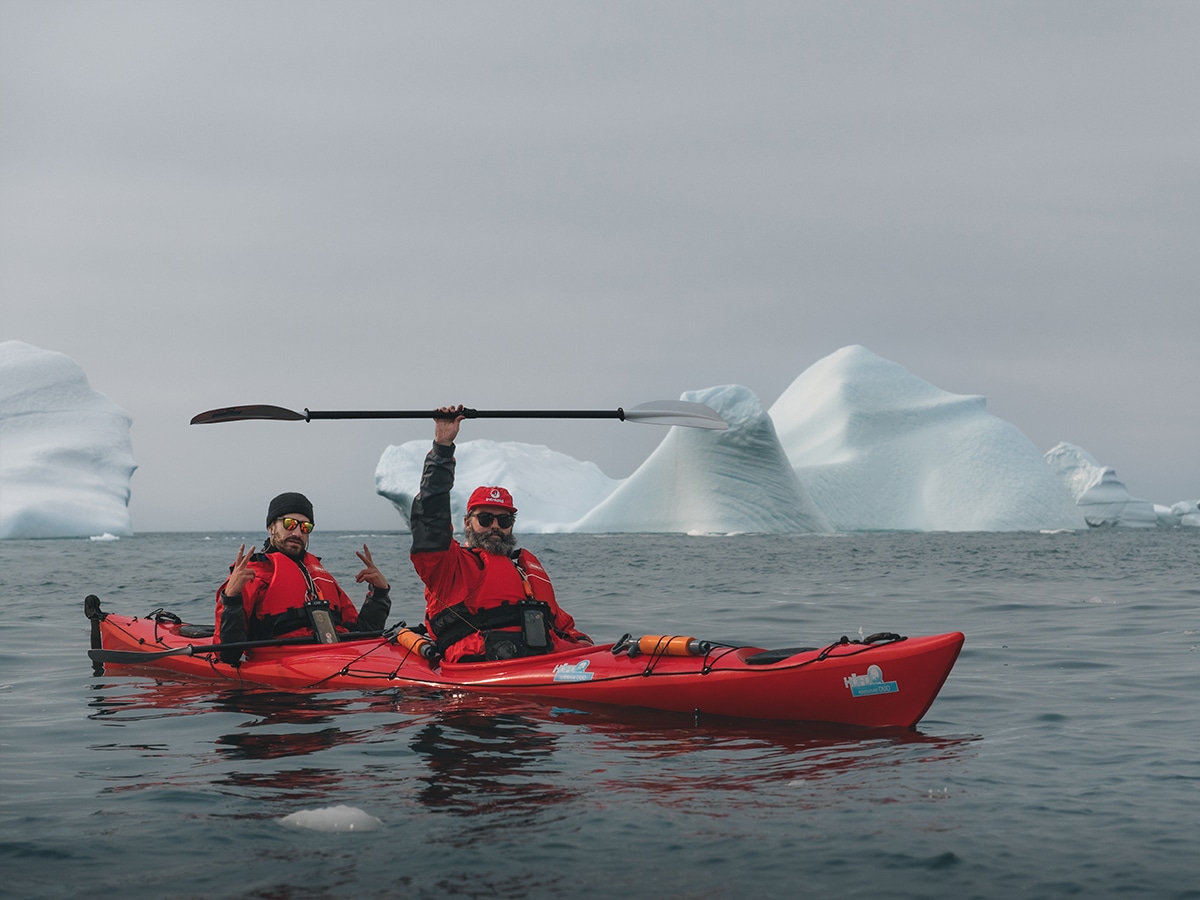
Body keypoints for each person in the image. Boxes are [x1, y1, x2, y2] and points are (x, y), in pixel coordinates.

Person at [409, 405, 592, 663]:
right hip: (481, 677)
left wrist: (592, 653)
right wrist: (442, 449)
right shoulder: (449, 568)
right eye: (484, 518)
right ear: (468, 523)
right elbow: (430, 518)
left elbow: (564, 626)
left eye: (504, 519)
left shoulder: (524, 573)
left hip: (544, 666)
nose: (495, 526)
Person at [215, 491, 392, 665]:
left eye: (305, 527)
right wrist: (231, 599)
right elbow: (228, 654)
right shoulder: (251, 574)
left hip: (337, 657)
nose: (298, 533)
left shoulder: (321, 576)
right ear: (271, 527)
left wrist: (379, 594)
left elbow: (364, 634)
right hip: (284, 670)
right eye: (289, 524)